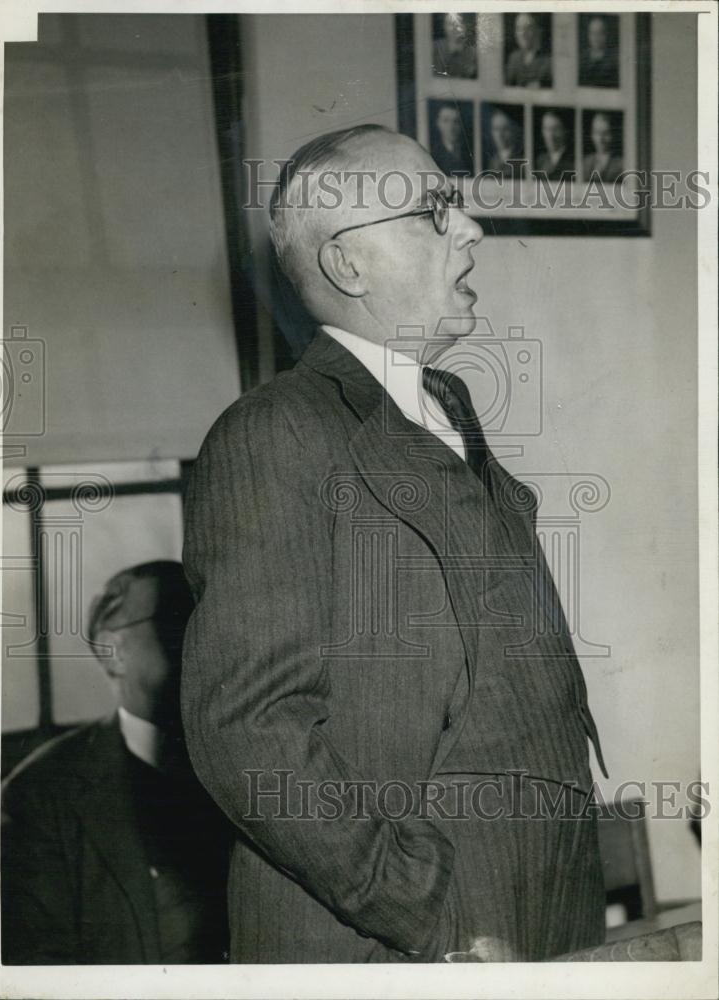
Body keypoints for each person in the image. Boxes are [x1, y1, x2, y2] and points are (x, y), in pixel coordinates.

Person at [182, 123, 607, 964]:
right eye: (436, 209)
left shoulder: (443, 404)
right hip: (401, 941)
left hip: (540, 911)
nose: (472, 228)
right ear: (348, 264)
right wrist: (434, 918)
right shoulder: (274, 434)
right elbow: (247, 733)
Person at [1, 561, 232, 965]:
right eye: (174, 619)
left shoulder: (251, 761)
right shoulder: (39, 795)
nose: (199, 639)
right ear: (113, 653)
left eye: (203, 618)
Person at [505, 14, 552, 88]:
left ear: (538, 30)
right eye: (519, 28)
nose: (522, 33)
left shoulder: (550, 60)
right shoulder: (514, 59)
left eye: (528, 28)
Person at [430, 103, 472, 176]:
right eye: (446, 121)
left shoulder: (469, 152)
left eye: (456, 121)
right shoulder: (433, 154)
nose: (451, 127)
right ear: (438, 123)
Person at [534, 109, 575, 182]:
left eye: (556, 129)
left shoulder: (574, 161)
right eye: (547, 129)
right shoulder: (540, 160)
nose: (551, 135)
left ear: (565, 131)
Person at [432, 13, 477, 79]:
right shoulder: (435, 47)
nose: (456, 28)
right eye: (451, 24)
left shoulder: (473, 51)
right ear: (444, 27)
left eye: (459, 23)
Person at [579, 16, 619, 88]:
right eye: (593, 33)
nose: (596, 37)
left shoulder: (614, 60)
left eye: (600, 33)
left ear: (606, 35)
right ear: (588, 35)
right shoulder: (581, 58)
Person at [484, 107, 524, 179]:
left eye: (505, 129)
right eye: (496, 129)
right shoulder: (491, 161)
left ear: (513, 130)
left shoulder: (521, 160)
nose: (500, 135)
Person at [583, 112, 623, 183]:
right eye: (597, 133)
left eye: (606, 133)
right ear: (592, 134)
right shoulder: (585, 162)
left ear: (613, 134)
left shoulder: (621, 164)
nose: (601, 139)